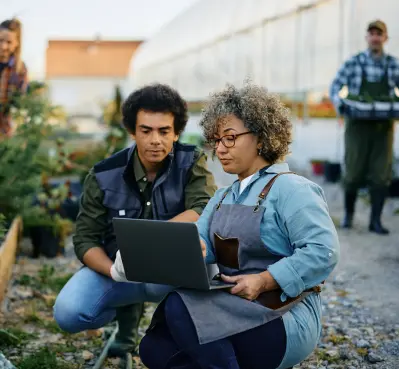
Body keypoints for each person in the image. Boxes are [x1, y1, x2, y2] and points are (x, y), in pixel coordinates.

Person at [112, 83, 340, 369]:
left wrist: (265, 280)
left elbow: (324, 251)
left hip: (280, 314)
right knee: (153, 349)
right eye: (216, 140)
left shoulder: (292, 189)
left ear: (261, 137)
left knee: (178, 306)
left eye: (229, 139)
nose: (219, 149)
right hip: (233, 307)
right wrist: (178, 252)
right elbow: (199, 245)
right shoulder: (223, 197)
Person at [53, 83, 217, 358]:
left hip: (173, 272)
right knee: (68, 313)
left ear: (176, 133)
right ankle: (125, 315)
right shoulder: (104, 174)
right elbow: (85, 238)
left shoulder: (192, 162)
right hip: (121, 271)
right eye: (146, 130)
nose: (156, 140)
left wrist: (152, 241)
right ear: (132, 132)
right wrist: (112, 271)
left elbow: (205, 206)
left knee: (216, 287)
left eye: (164, 131)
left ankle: (178, 337)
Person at [330, 20, 399, 234]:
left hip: (383, 127)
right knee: (353, 172)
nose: (375, 37)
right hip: (357, 126)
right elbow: (335, 87)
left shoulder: (393, 65)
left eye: (380, 34)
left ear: (385, 38)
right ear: (367, 37)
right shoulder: (354, 63)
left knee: (381, 174)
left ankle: (375, 221)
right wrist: (340, 105)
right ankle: (349, 217)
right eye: (372, 33)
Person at [0, 18, 28, 137]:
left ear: (17, 43)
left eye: (9, 42)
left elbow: (20, 104)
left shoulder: (20, 70)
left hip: (5, 133)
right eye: (0, 40)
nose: (3, 46)